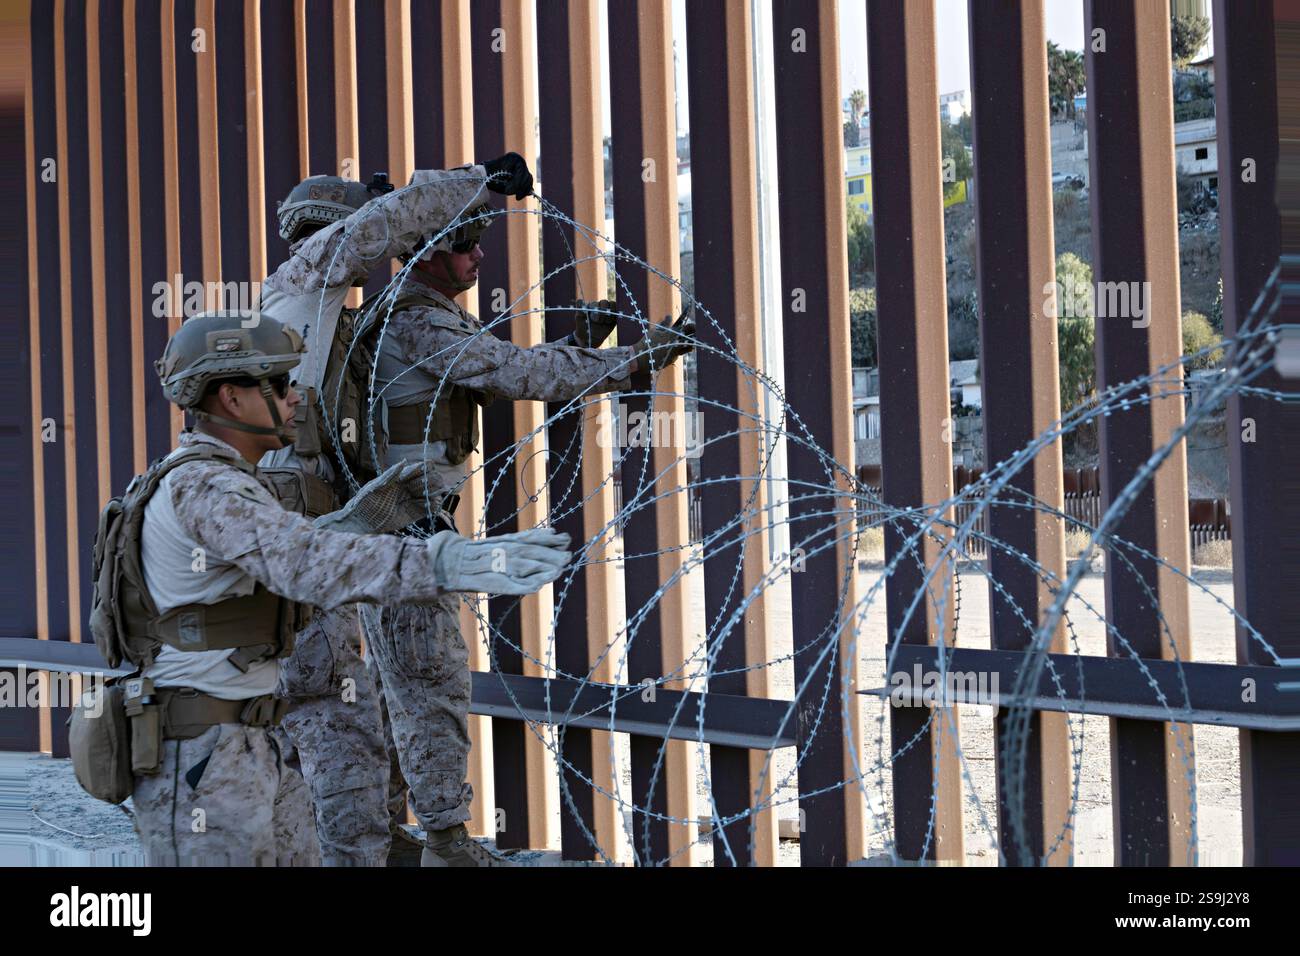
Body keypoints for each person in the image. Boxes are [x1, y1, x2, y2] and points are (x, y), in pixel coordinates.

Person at [112, 310, 570, 865]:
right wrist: (442, 562)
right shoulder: (206, 485)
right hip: (203, 761)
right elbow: (300, 563)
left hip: (251, 743)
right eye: (278, 385)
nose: (295, 399)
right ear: (231, 398)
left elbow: (274, 562)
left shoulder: (228, 481)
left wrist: (354, 523)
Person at [365, 165, 695, 866]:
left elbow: (506, 366)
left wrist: (590, 348)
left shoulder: (423, 313)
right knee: (430, 683)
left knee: (404, 684)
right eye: (466, 242)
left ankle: (395, 839)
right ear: (427, 250)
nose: (479, 255)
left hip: (406, 527)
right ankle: (447, 844)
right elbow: (516, 374)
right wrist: (635, 361)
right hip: (408, 534)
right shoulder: (417, 320)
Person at [255, 155, 534, 865]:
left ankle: (380, 838)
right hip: (306, 519)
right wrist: (480, 182)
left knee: (360, 690)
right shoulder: (312, 279)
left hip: (332, 518)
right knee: (332, 706)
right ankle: (357, 851)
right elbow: (384, 227)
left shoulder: (327, 309)